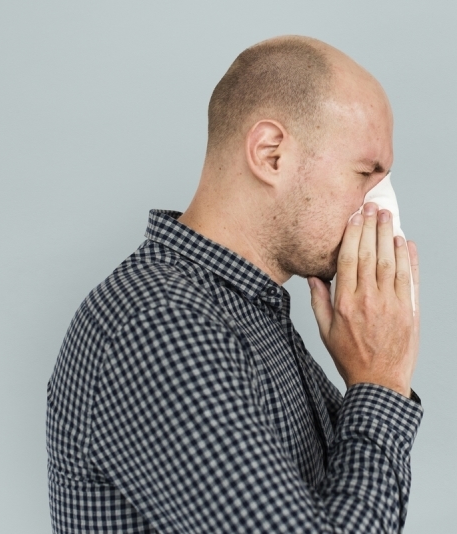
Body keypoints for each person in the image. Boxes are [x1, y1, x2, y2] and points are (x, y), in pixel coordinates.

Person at [46, 35, 422, 533]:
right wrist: (380, 381)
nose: (381, 208)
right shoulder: (160, 327)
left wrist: (375, 380)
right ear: (270, 155)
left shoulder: (248, 312)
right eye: (365, 173)